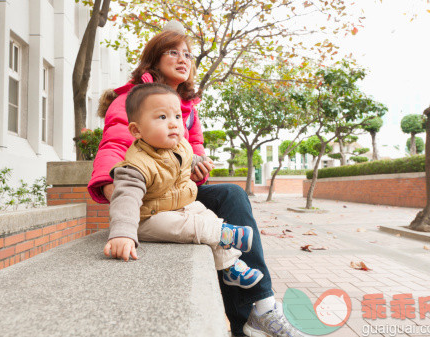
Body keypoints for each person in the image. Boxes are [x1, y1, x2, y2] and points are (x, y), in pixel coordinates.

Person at [88, 27, 301, 337]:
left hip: (178, 190)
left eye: (187, 54)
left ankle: (262, 306)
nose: (182, 59)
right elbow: (115, 145)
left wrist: (200, 166)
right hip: (150, 193)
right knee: (225, 209)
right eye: (173, 52)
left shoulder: (187, 108)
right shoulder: (133, 98)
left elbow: (195, 150)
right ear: (153, 59)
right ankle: (250, 316)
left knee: (232, 195)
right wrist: (116, 189)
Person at [106, 82, 264, 289]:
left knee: (205, 214)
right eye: (163, 117)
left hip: (180, 204)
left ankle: (230, 267)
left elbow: (188, 158)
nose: (173, 124)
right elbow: (126, 199)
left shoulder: (179, 146)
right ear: (137, 130)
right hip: (148, 218)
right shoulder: (135, 166)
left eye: (178, 117)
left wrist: (201, 162)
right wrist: (122, 233)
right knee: (187, 226)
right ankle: (223, 233)